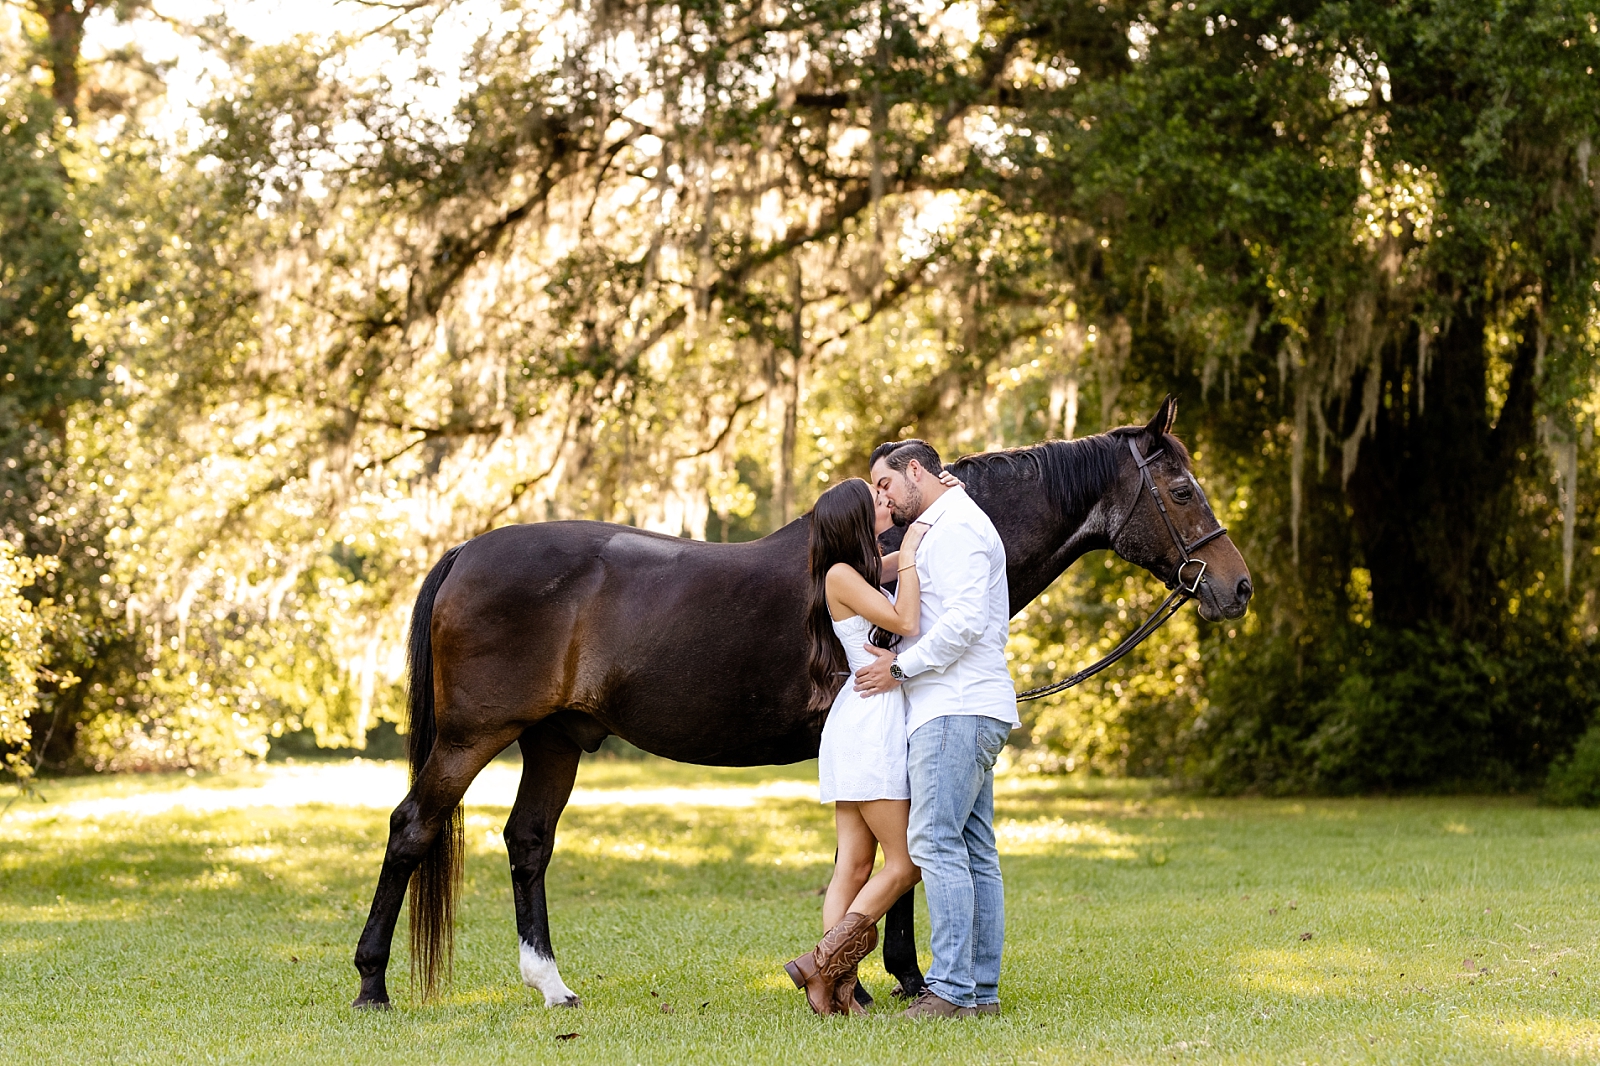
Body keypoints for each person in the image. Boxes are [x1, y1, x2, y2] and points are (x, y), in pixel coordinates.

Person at [855, 439, 1020, 1020]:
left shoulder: (958, 528)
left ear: (916, 471)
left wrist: (899, 668)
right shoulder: (943, 522)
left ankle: (950, 990)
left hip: (953, 707)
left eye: (885, 484)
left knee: (936, 845)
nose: (883, 496)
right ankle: (980, 991)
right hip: (964, 705)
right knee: (973, 849)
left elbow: (966, 622)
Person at [783, 477, 928, 1016]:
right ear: (854, 520)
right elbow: (907, 620)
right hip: (872, 723)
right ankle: (822, 966)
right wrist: (910, 546)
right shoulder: (842, 575)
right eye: (877, 502)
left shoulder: (861, 571)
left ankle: (833, 986)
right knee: (908, 862)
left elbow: (912, 563)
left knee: (855, 866)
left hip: (865, 717)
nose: (887, 503)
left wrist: (940, 502)